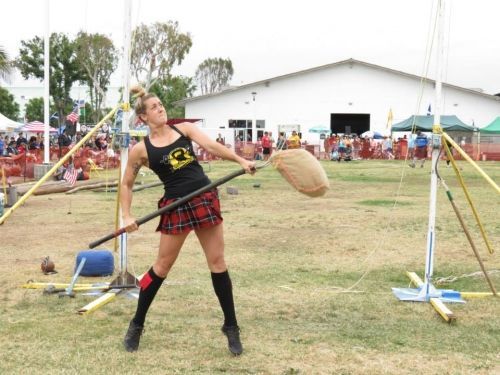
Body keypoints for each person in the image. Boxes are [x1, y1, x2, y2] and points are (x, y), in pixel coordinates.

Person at [121, 85, 256, 355]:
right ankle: (137, 324)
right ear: (144, 117)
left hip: (203, 197)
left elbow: (213, 147)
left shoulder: (184, 129)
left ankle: (231, 327)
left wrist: (240, 160)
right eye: (155, 107)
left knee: (217, 262)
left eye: (161, 104)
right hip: (175, 205)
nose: (161, 109)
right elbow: (126, 184)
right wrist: (126, 215)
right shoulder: (141, 150)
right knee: (160, 267)